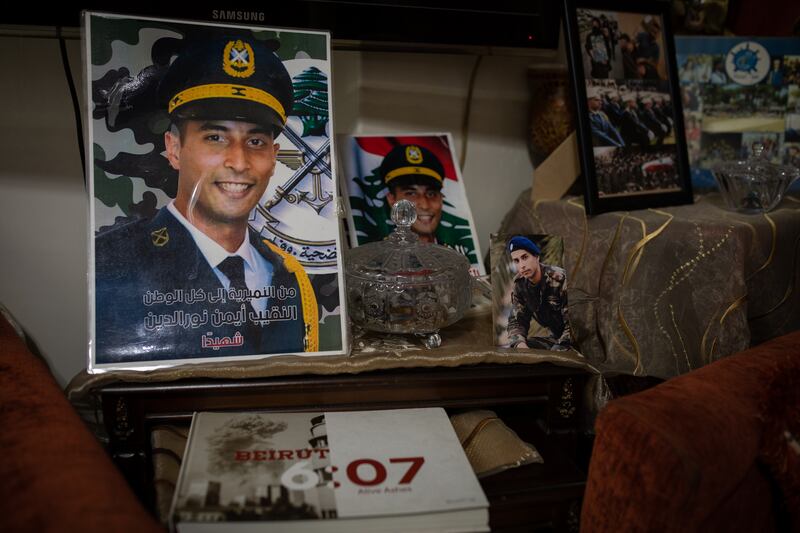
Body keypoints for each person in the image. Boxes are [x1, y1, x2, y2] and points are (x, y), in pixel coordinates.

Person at [94, 32, 318, 364]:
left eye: (255, 142)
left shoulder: (290, 276)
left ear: (274, 157)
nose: (239, 162)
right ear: (174, 149)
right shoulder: (111, 265)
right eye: (215, 137)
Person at [506, 236, 571, 351]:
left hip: (574, 339)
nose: (521, 265)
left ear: (536, 257)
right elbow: (516, 322)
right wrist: (520, 345)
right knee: (516, 349)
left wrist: (558, 349)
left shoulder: (560, 279)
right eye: (516, 261)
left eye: (525, 257)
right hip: (555, 339)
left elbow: (574, 325)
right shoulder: (520, 285)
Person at [380, 144, 446, 244]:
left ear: (441, 199)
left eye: (431, 194)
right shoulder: (378, 257)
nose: (425, 205)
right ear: (392, 200)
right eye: (411, 193)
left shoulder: (455, 255)